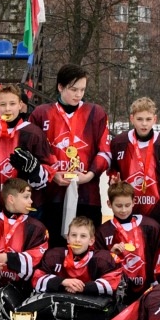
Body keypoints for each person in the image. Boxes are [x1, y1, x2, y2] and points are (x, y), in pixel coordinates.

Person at [30, 65, 111, 238]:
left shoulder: (96, 113)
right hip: (51, 195)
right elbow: (33, 155)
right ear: (60, 87)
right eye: (73, 89)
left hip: (87, 196)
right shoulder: (41, 114)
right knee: (54, 249)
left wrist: (89, 175)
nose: (78, 94)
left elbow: (105, 152)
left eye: (82, 89)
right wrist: (52, 174)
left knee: (87, 250)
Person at [108, 96, 160, 245]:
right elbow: (113, 173)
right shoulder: (118, 143)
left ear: (155, 119)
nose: (144, 124)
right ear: (131, 119)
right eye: (140, 119)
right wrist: (114, 182)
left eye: (148, 119)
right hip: (128, 215)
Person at [0, 83, 48, 210]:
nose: (7, 108)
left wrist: (35, 170)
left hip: (30, 208)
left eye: (12, 104)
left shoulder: (34, 133)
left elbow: (49, 170)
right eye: (3, 104)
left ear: (20, 105)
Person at [97, 181, 160, 299]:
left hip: (147, 289)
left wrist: (156, 282)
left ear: (134, 202)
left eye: (127, 205)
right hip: (116, 291)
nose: (123, 210)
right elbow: (97, 263)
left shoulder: (151, 226)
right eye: (118, 206)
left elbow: (159, 256)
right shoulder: (103, 231)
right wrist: (110, 255)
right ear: (109, 204)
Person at [32, 217, 122, 297]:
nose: (77, 240)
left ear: (91, 241)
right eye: (74, 235)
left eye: (83, 236)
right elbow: (36, 280)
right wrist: (63, 282)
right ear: (68, 238)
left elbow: (113, 284)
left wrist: (82, 288)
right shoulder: (54, 256)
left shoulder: (102, 258)